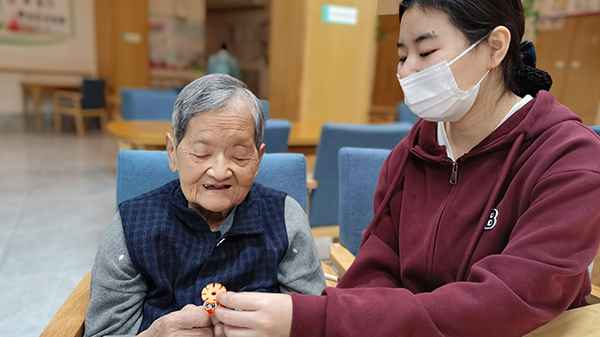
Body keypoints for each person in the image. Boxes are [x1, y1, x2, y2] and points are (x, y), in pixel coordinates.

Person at [211, 1, 600, 336]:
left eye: (426, 52)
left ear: (495, 47)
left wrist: (314, 318)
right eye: (402, 55)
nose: (408, 71)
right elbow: (376, 270)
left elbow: (504, 302)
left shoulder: (568, 159)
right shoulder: (413, 152)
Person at [83, 74, 326, 337]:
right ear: (172, 153)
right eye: (201, 153)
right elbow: (102, 331)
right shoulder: (131, 226)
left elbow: (314, 321)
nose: (220, 172)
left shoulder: (285, 218)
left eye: (240, 154)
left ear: (258, 159)